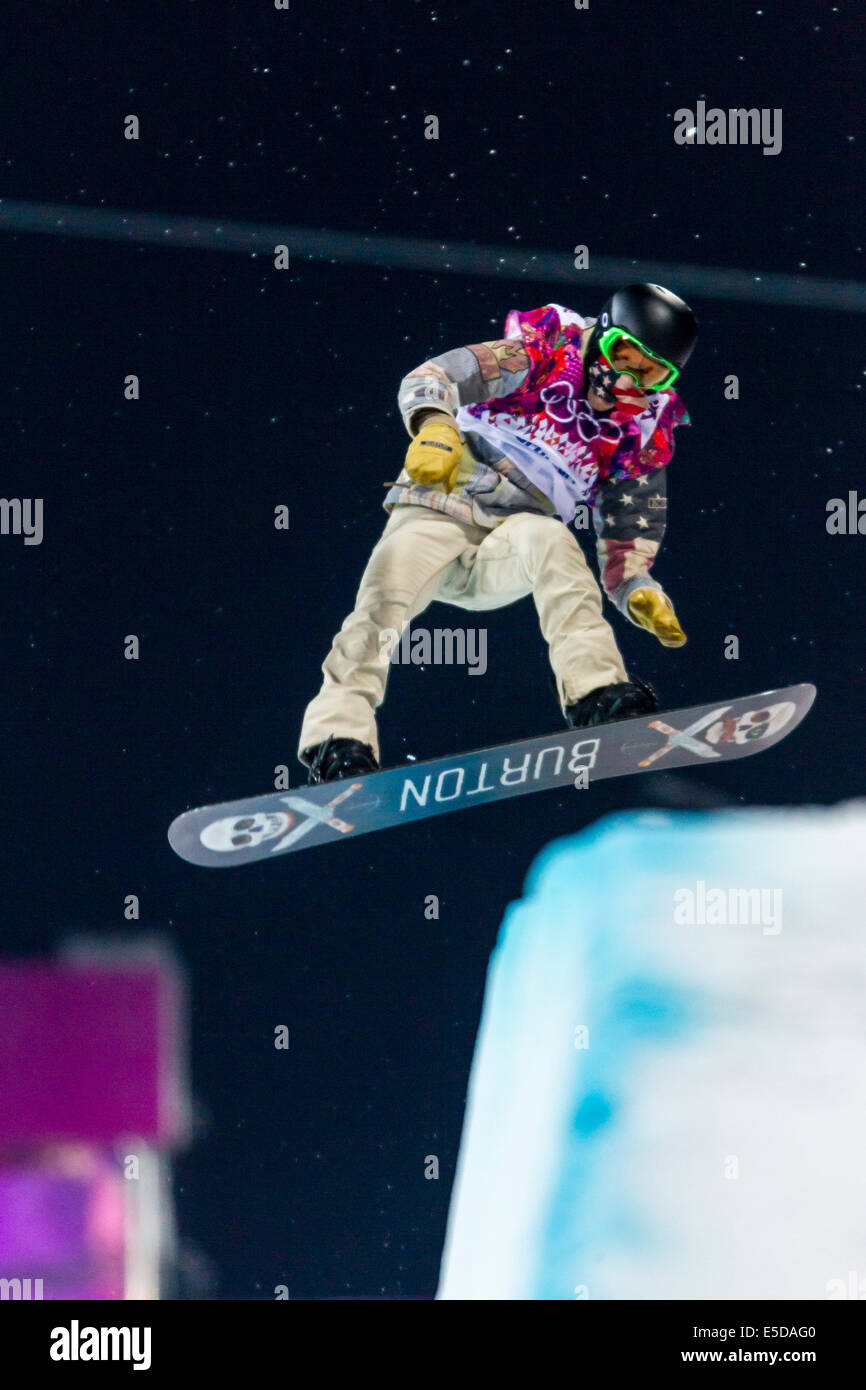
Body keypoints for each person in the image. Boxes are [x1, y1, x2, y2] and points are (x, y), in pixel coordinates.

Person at [298, 283, 697, 785]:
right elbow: (436, 374)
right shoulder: (543, 354)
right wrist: (435, 426)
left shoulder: (639, 431)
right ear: (602, 335)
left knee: (553, 543)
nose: (628, 378)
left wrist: (635, 585)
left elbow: (630, 520)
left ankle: (597, 692)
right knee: (381, 605)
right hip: (441, 508)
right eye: (623, 355)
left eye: (651, 371)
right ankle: (338, 740)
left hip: (510, 542)